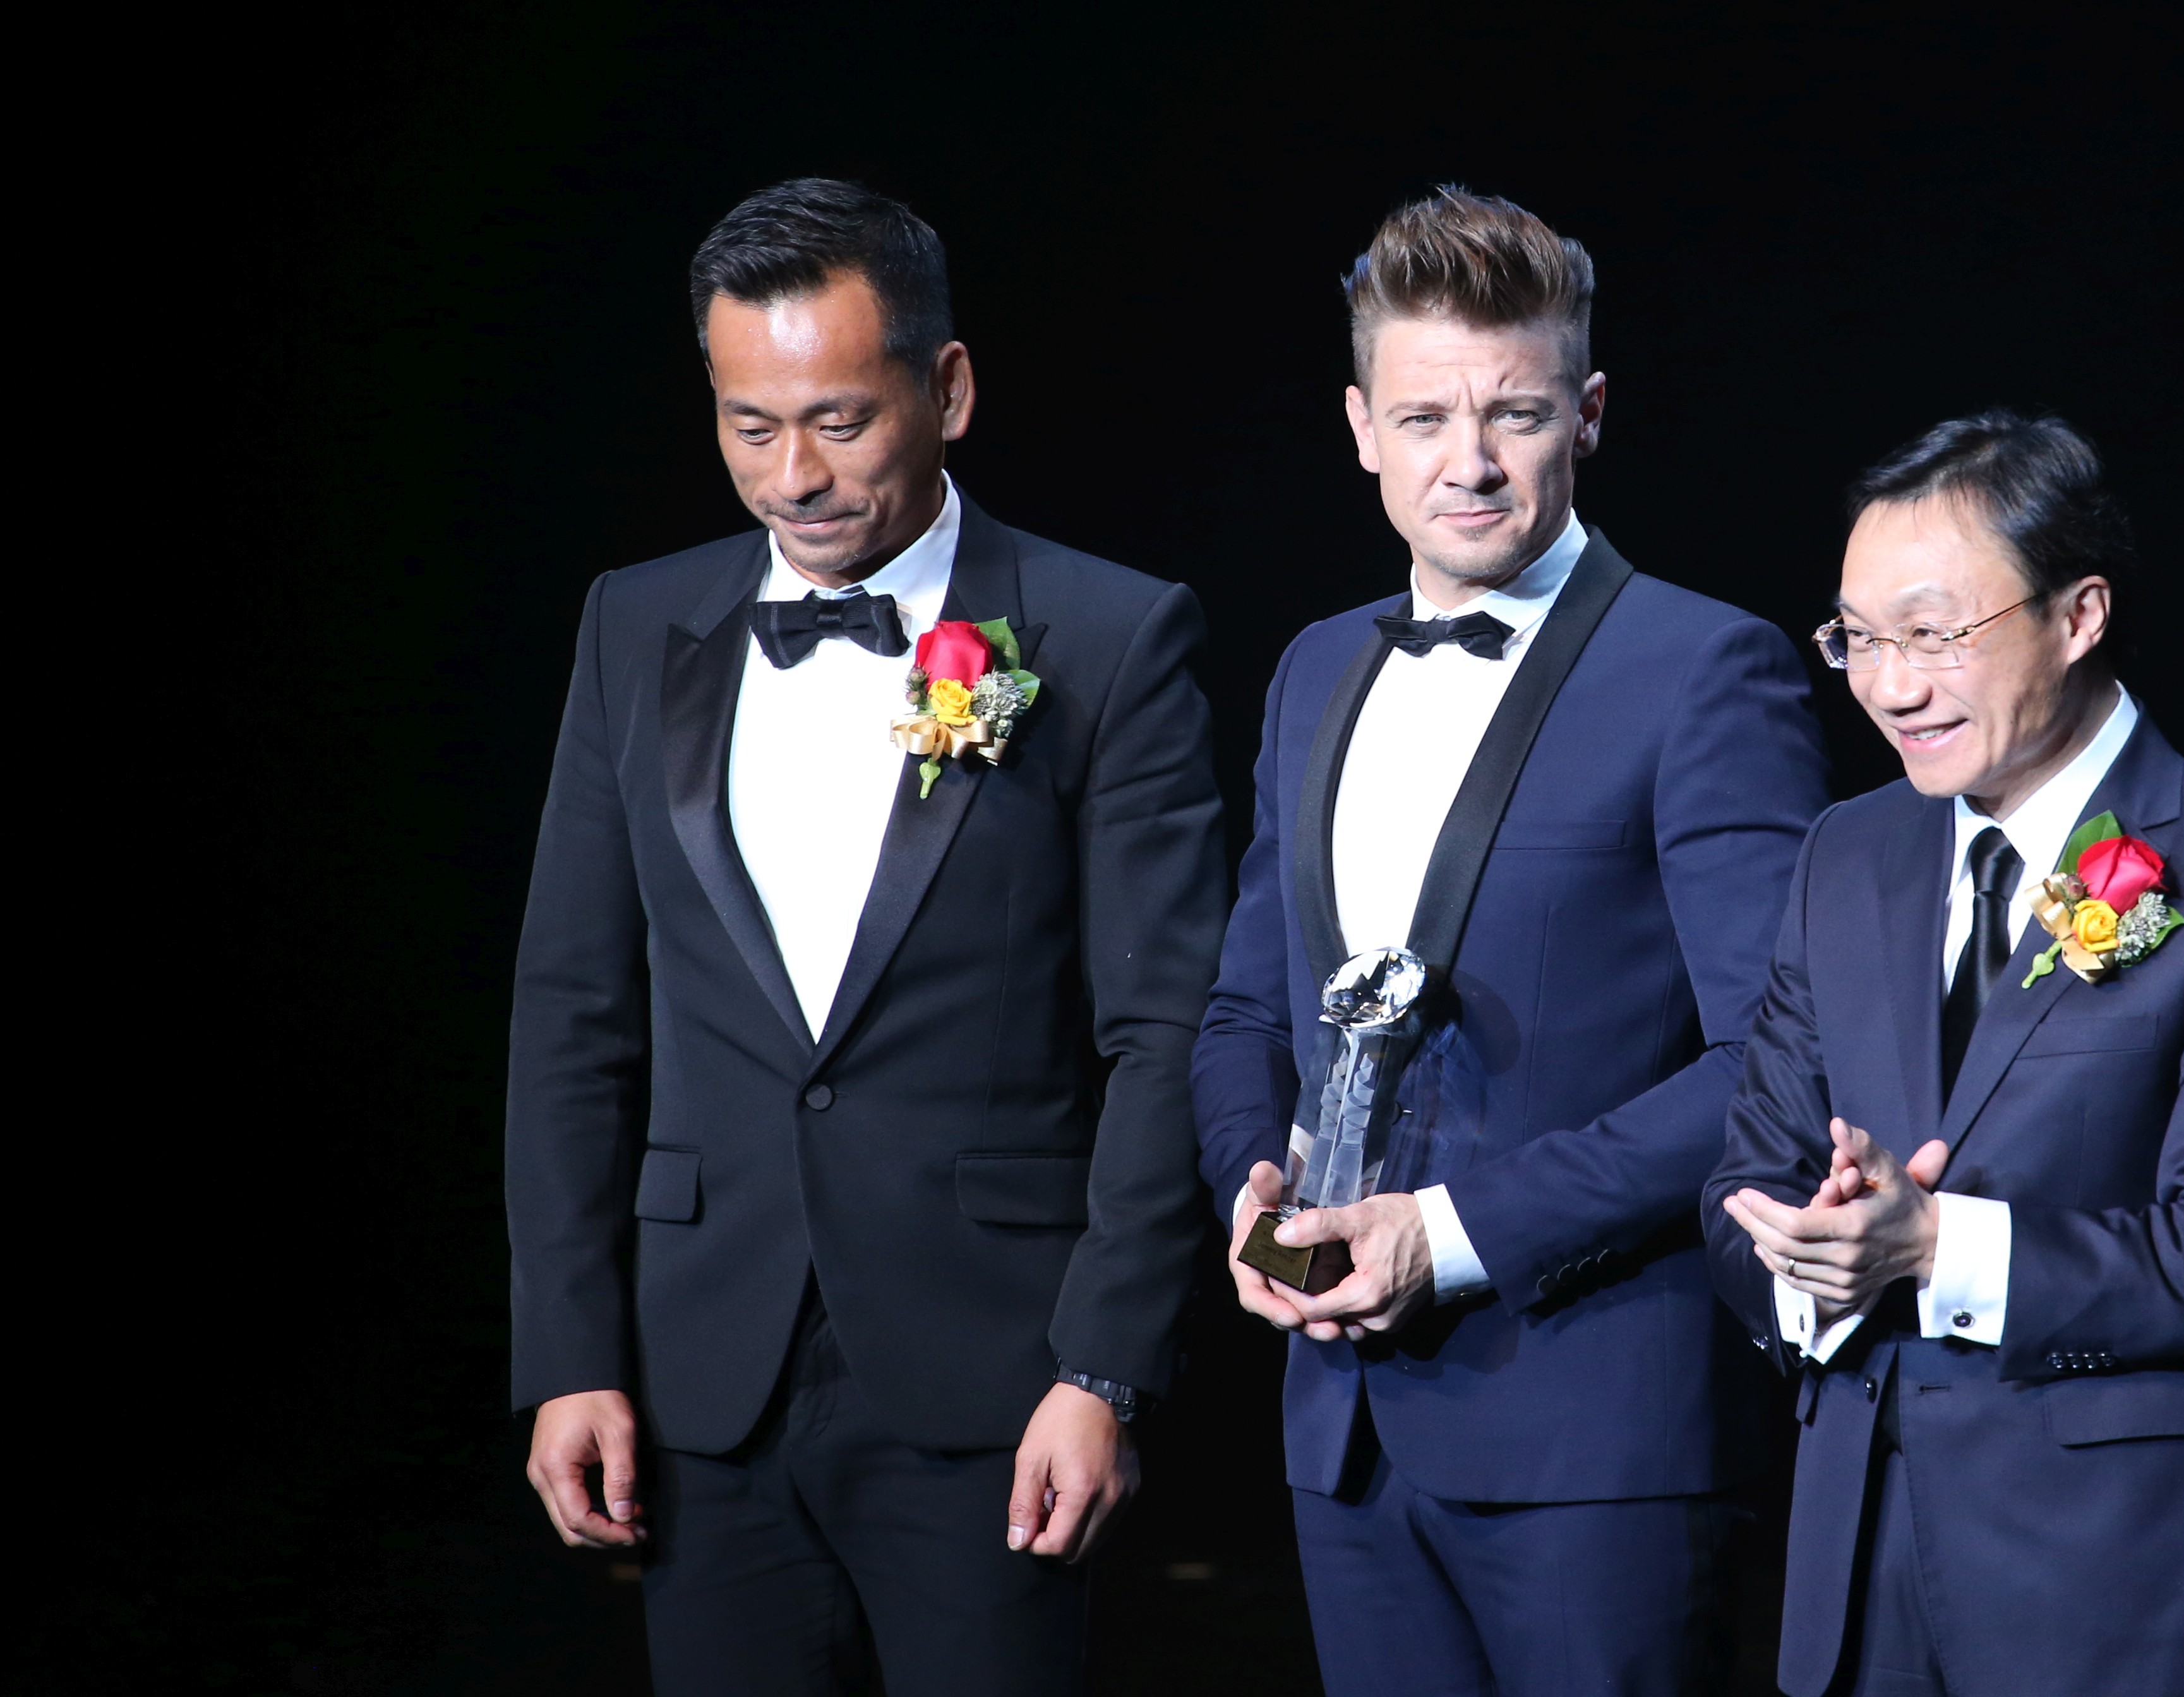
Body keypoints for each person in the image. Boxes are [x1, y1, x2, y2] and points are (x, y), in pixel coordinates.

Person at [506, 179, 1227, 1694]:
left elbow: (1166, 1032)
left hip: (998, 1384)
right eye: (750, 427)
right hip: (704, 1382)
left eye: (840, 422)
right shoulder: (634, 625)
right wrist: (568, 1354)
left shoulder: (1105, 635)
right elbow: (574, 1016)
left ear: (947, 390)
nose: (795, 478)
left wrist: (1104, 1366)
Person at [1192, 187, 1830, 1696]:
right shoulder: (1313, 668)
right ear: (1362, 428)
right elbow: (1246, 1011)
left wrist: (1452, 1234)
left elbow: (1775, 1066)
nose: (1468, 462)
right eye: (1425, 418)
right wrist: (1254, 1194)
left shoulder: (1705, 668)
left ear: (1587, 415)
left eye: (1516, 414)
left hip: (1596, 1438)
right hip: (1343, 1427)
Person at [1707, 411, 2184, 1697]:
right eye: (1859, 638)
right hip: (1861, 1582)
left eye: (1936, 633)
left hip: (2123, 1594)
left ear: (2079, 616)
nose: (1891, 685)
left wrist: (1935, 1246)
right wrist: (1813, 1259)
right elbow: (1744, 1188)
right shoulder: (1846, 854)